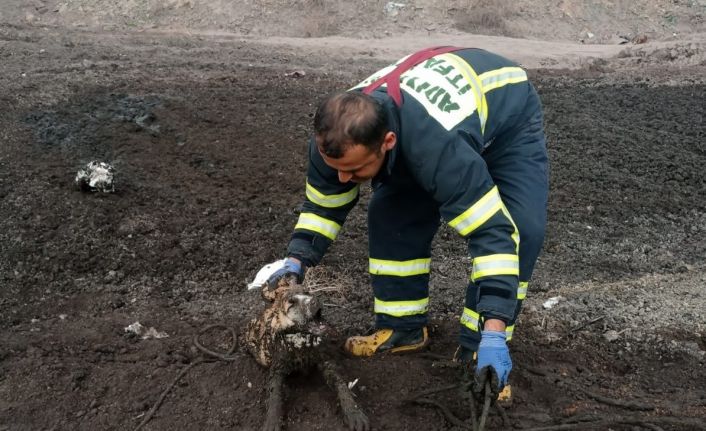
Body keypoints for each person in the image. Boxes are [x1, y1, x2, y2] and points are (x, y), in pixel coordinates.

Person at [261, 46, 548, 396]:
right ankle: (403, 330)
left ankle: (478, 351)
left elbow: (492, 235)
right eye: (336, 168)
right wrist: (295, 261)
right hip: (425, 127)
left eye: (354, 170)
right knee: (391, 211)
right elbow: (322, 207)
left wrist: (493, 330)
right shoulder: (334, 138)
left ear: (387, 142)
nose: (342, 179)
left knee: (521, 229)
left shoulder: (439, 153)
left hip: (507, 117)